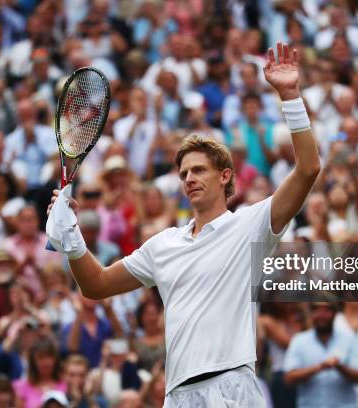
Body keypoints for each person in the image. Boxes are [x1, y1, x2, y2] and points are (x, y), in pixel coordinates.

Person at [46, 42, 321, 406]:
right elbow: (95, 285)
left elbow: (308, 169)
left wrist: (289, 96)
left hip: (232, 386)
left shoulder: (250, 225)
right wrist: (72, 239)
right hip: (178, 396)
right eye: (184, 172)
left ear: (225, 176)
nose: (189, 178)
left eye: (199, 170)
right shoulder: (163, 244)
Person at [284, 302, 358, 407]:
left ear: (335, 313)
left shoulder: (350, 339)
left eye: (326, 310)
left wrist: (339, 366)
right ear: (311, 313)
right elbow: (289, 379)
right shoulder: (299, 340)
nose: (321, 315)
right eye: (317, 310)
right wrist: (320, 367)